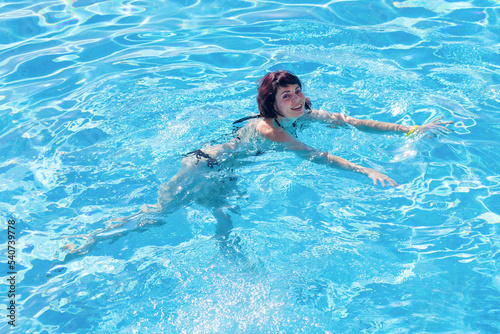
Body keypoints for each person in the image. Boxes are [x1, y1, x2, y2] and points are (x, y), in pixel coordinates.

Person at [61, 70, 453, 259]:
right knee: (157, 215)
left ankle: (230, 263)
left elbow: (353, 122)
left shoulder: (304, 113)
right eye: (287, 95)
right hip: (203, 167)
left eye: (298, 91)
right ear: (272, 102)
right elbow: (314, 156)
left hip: (228, 174)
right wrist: (364, 170)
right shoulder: (268, 130)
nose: (297, 99)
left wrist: (409, 129)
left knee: (225, 219)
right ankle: (88, 241)